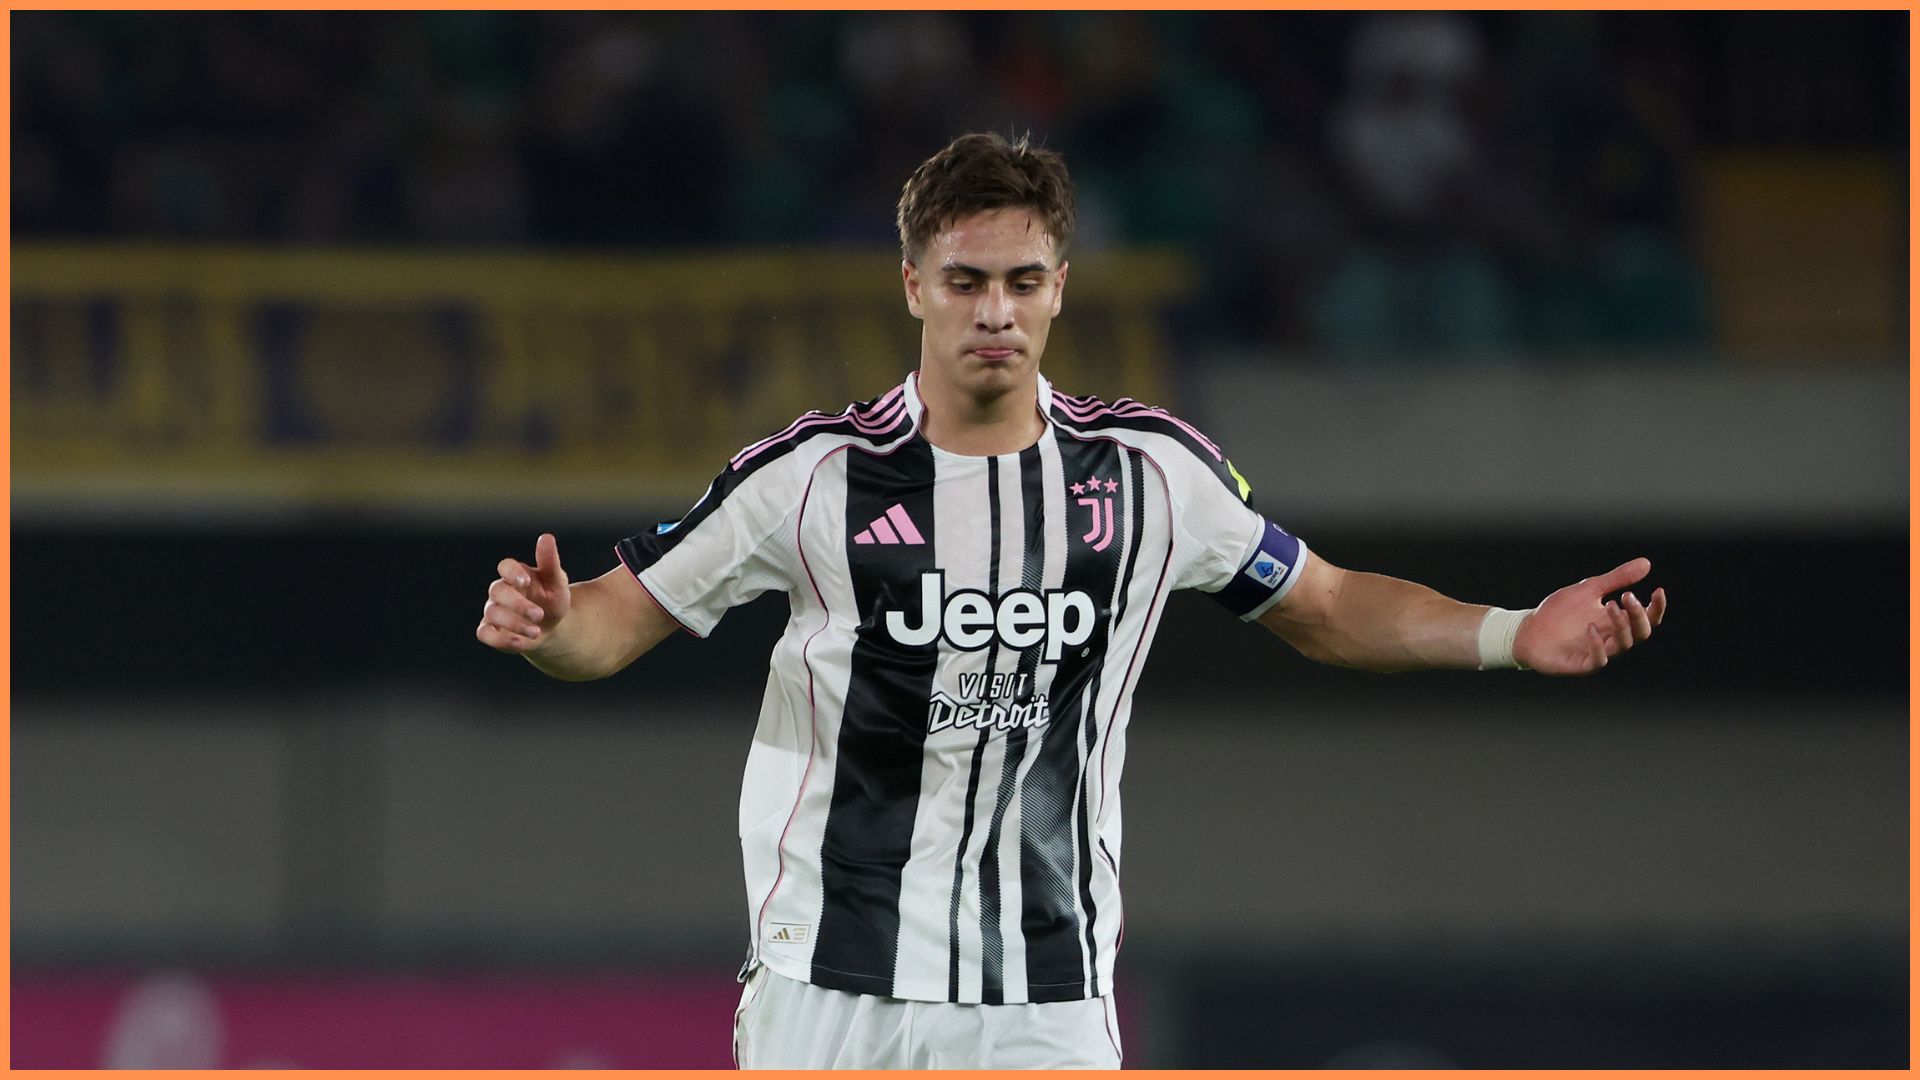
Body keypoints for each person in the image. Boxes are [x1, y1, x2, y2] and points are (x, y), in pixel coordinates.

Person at [475, 131, 1666, 1069]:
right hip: (828, 989)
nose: (995, 310)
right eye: (966, 281)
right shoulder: (811, 479)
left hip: (1042, 998)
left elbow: (1328, 602)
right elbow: (612, 624)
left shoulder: (1152, 476)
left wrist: (1513, 634)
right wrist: (551, 624)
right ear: (913, 287)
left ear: (1058, 291)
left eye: (1021, 280)